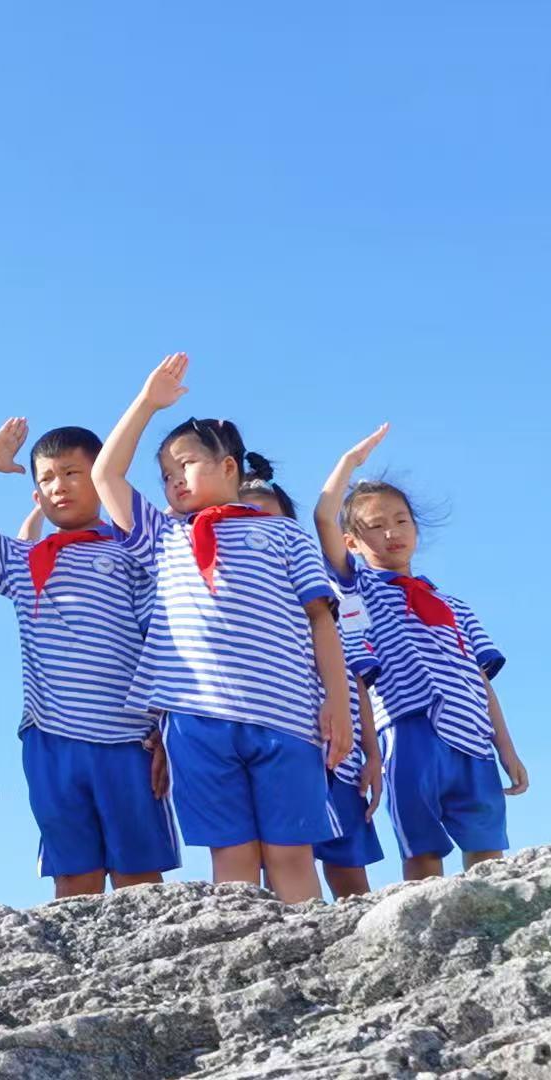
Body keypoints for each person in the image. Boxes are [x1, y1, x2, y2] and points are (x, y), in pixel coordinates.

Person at [91, 353, 351, 904]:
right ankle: (248, 953)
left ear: (229, 466)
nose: (174, 481)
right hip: (196, 719)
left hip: (286, 714)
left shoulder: (284, 535)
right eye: (165, 475)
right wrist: (146, 404)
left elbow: (321, 620)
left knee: (289, 853)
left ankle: (308, 948)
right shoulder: (163, 537)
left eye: (185, 465)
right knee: (231, 856)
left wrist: (338, 703)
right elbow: (105, 475)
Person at [0, 419, 177, 898]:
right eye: (45, 478)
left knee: (139, 878)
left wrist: (165, 725)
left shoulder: (133, 553)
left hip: (129, 738)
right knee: (73, 877)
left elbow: (161, 640)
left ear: (100, 477)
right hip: (51, 738)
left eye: (71, 473)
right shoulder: (24, 560)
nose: (58, 486)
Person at [314, 425, 526, 882]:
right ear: (352, 542)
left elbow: (481, 679)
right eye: (375, 526)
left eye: (401, 521)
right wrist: (349, 464)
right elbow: (324, 519)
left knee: (487, 849)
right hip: (407, 730)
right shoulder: (359, 588)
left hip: (473, 735)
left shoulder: (454, 605)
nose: (391, 532)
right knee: (422, 851)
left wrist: (505, 747)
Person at [241, 473, 385, 898]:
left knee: (349, 868)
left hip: (341, 756)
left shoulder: (325, 592)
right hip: (283, 744)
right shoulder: (237, 603)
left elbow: (356, 679)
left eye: (267, 517)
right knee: (281, 859)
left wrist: (372, 753)